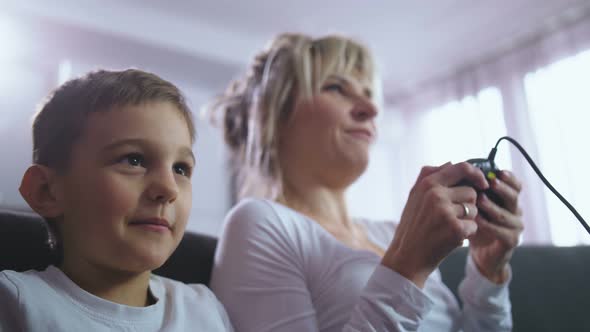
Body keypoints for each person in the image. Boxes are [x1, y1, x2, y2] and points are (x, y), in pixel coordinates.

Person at [209, 33, 524, 331]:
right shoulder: (259, 222)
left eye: (369, 94)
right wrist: (408, 267)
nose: (371, 109)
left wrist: (488, 271)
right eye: (336, 88)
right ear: (273, 115)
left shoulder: (391, 233)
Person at [0, 69, 233, 331]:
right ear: (47, 191)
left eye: (180, 168)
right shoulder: (16, 303)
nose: (169, 188)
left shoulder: (204, 309)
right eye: (133, 160)